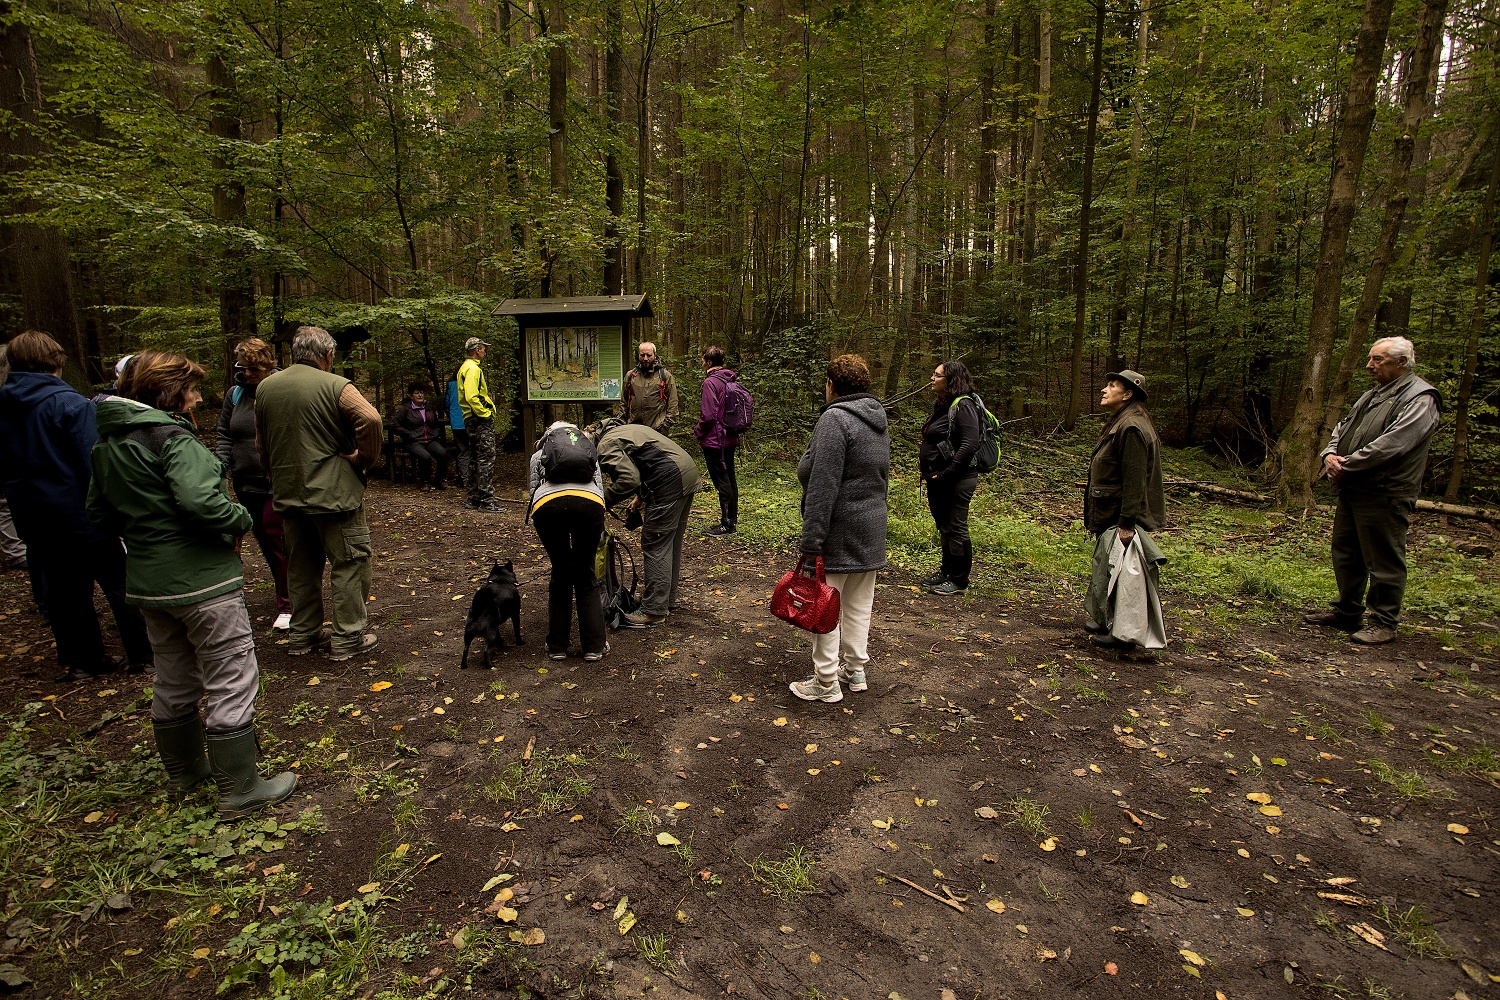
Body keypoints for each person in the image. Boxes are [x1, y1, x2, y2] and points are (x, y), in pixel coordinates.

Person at [89, 351, 296, 817]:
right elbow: (202, 503)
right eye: (193, 389)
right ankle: (241, 788)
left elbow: (98, 513)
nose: (200, 397)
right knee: (230, 672)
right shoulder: (173, 440)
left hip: (146, 581)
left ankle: (185, 770)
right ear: (171, 393)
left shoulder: (107, 445)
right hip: (201, 582)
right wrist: (240, 516)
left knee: (174, 672)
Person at [0, 331, 153, 681]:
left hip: (35, 517)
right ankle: (144, 654)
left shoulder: (5, 405)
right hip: (81, 512)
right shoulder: (68, 404)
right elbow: (93, 460)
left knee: (65, 590)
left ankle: (84, 660)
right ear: (56, 361)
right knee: (120, 582)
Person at [254, 326, 382, 661]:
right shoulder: (335, 385)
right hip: (334, 495)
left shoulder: (266, 389)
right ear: (327, 355)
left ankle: (303, 636)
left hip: (288, 493)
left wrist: (276, 475)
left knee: (300, 567)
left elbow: (261, 444)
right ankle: (347, 638)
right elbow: (370, 418)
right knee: (350, 563)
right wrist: (362, 458)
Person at [1304, 336, 1441, 646]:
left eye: (1378, 360)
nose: (1369, 365)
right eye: (1370, 358)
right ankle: (1347, 612)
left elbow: (1393, 444)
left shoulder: (1421, 398)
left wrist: (1346, 464)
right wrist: (1329, 455)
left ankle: (1383, 621)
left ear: (1401, 363)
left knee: (1384, 558)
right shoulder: (1371, 395)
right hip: (1355, 488)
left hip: (1386, 490)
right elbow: (1342, 428)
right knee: (1346, 553)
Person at [788, 354, 891, 703]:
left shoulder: (835, 419)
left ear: (832, 384)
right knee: (859, 603)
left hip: (839, 527)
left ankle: (826, 681)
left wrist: (811, 542)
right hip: (872, 526)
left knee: (824, 603)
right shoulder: (877, 419)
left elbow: (823, 486)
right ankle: (855, 670)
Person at [1083, 369, 1167, 651]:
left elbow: (1135, 480)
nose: (1104, 390)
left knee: (1125, 571)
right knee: (1111, 566)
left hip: (1120, 512)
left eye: (1112, 386)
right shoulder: (1123, 421)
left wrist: (1127, 522)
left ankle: (1124, 633)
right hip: (1111, 509)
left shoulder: (1131, 427)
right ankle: (1108, 619)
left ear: (1128, 394)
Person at [591, 417, 702, 627]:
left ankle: (653, 610)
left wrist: (600, 501)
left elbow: (629, 479)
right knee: (671, 542)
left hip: (669, 481)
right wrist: (641, 497)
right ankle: (664, 601)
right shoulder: (631, 429)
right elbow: (649, 461)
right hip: (687, 474)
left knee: (656, 544)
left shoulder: (605, 444)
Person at [215, 338, 293, 631]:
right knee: (263, 537)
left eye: (253, 368)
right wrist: (221, 464)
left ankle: (288, 603)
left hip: (277, 479)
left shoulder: (283, 389)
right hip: (246, 480)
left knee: (277, 535)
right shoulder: (235, 395)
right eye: (242, 368)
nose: (247, 373)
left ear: (268, 363)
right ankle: (284, 590)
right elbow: (225, 433)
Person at [529, 421, 608, 661]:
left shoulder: (538, 454)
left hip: (548, 506)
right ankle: (594, 647)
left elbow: (533, 490)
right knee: (586, 573)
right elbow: (600, 488)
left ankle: (557, 647)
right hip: (589, 503)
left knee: (561, 572)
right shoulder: (588, 449)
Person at [919, 359, 982, 595]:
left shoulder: (963, 405)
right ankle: (946, 572)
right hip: (940, 478)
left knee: (956, 527)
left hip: (957, 478)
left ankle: (959, 579)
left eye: (937, 375)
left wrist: (947, 473)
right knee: (945, 526)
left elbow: (969, 444)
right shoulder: (943, 404)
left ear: (951, 380)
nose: (932, 379)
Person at [694, 345, 742, 538]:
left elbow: (708, 415)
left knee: (721, 479)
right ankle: (732, 518)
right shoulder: (729, 379)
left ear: (709, 362)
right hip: (730, 436)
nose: (702, 363)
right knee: (730, 477)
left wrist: (698, 432)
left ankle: (727, 524)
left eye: (703, 359)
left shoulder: (710, 382)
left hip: (715, 440)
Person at [458, 337, 500, 512]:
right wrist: (485, 413)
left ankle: (473, 498)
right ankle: (486, 500)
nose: (485, 351)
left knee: (475, 458)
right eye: (483, 348)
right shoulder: (473, 369)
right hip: (478, 419)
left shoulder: (465, 367)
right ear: (477, 349)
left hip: (470, 418)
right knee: (486, 459)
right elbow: (471, 396)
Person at [393, 382, 450, 490]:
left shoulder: (428, 408)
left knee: (442, 453)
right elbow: (394, 425)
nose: (420, 395)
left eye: (421, 393)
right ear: (411, 395)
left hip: (429, 439)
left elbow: (436, 424)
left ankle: (441, 480)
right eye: (417, 393)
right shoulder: (405, 409)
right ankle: (425, 481)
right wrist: (409, 434)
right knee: (425, 456)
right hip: (413, 441)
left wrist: (435, 433)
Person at [621, 341, 678, 433]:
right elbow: (624, 403)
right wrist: (622, 424)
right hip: (633, 430)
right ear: (638, 355)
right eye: (642, 355)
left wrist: (664, 427)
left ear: (655, 355)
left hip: (657, 430)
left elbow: (673, 405)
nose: (645, 358)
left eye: (649, 355)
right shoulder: (631, 376)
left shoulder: (665, 376)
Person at [446, 373, 470, 486]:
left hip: (456, 422)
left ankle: (464, 478)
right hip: (469, 420)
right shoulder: (471, 378)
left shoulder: (451, 382)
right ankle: (470, 479)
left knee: (462, 450)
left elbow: (447, 403)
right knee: (472, 450)